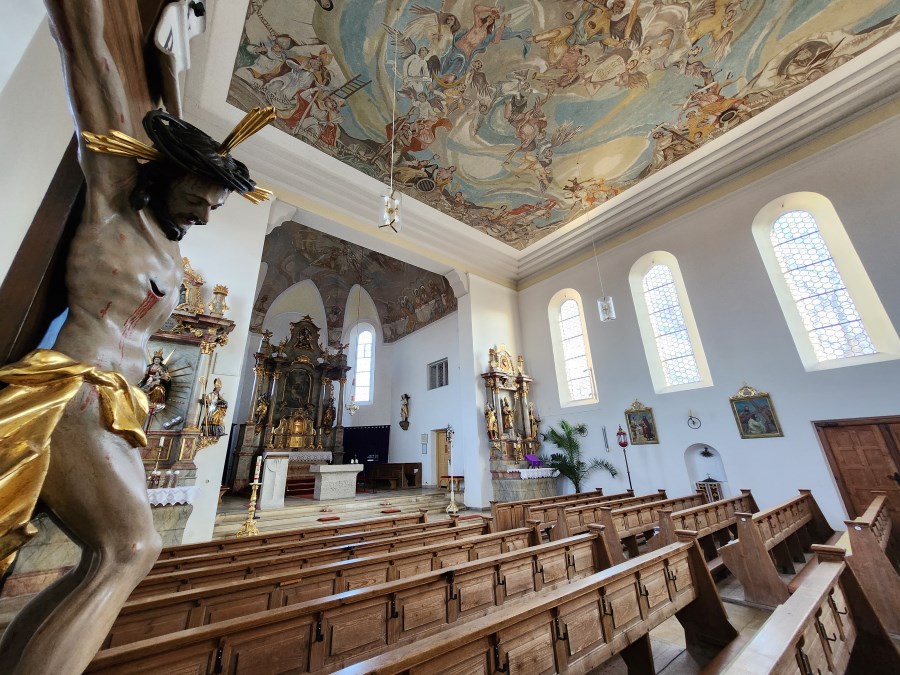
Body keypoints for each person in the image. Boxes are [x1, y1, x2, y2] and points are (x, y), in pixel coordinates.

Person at [0, 3, 272, 673]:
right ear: (171, 174)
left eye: (215, 207)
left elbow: (167, 108)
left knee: (117, 555)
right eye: (199, 198)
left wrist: (171, 62)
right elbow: (91, 62)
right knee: (131, 549)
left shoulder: (169, 249)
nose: (204, 215)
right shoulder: (113, 201)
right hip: (77, 385)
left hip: (117, 403)